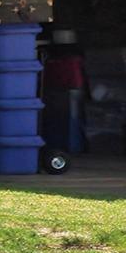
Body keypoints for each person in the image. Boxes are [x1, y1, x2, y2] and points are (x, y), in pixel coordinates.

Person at [43, 26, 88, 156]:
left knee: (66, 120)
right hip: (70, 88)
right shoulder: (73, 57)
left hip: (65, 89)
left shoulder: (58, 58)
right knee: (71, 120)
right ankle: (72, 146)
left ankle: (70, 146)